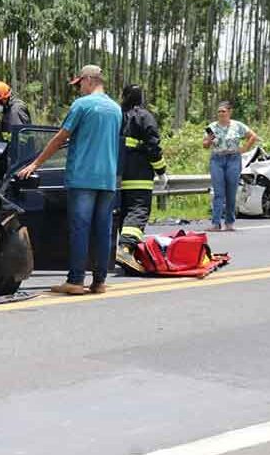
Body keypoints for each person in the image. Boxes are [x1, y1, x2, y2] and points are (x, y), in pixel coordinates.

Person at [17, 65, 121, 295]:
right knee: (103, 230)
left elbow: (60, 138)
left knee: (80, 229)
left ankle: (75, 280)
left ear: (89, 80)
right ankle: (99, 281)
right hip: (108, 178)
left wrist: (35, 164)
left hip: (83, 177)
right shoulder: (115, 109)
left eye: (80, 84)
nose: (79, 89)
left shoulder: (82, 105)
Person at [116, 84, 167, 270]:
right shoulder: (144, 117)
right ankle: (126, 248)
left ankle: (126, 251)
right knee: (138, 210)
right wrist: (161, 170)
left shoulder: (117, 116)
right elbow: (153, 146)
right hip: (139, 173)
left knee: (125, 213)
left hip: (117, 173)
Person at [203, 101, 258, 232]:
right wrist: (209, 139)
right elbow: (205, 145)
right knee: (218, 192)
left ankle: (229, 222)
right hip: (217, 159)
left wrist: (244, 149)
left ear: (229, 112)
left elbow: (253, 136)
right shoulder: (212, 127)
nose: (221, 114)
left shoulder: (237, 125)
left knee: (231, 191)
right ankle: (216, 223)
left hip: (233, 159)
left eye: (223, 111)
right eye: (219, 111)